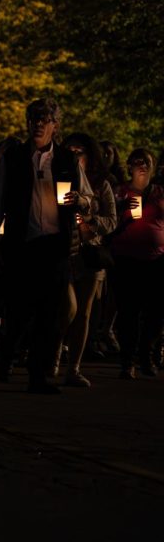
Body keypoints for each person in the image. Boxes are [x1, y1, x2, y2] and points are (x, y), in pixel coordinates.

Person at [0, 98, 94, 394]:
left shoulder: (66, 160)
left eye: (44, 119)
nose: (38, 123)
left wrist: (80, 202)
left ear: (55, 126)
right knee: (21, 308)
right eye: (33, 118)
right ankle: (8, 354)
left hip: (55, 245)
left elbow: (87, 196)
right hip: (23, 243)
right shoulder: (15, 157)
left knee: (50, 311)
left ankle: (39, 374)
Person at [58, 133, 117, 387]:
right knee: (64, 308)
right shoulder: (59, 178)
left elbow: (112, 220)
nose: (74, 155)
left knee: (84, 312)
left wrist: (90, 220)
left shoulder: (101, 184)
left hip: (90, 252)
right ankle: (54, 353)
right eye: (70, 150)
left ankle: (74, 366)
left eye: (79, 151)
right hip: (64, 250)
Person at [108, 149, 164, 379]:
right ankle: (127, 360)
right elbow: (109, 220)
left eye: (146, 162)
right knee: (128, 312)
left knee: (156, 312)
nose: (142, 166)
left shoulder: (160, 192)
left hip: (157, 260)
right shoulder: (120, 192)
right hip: (126, 260)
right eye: (137, 162)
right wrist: (125, 211)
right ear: (129, 166)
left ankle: (146, 355)